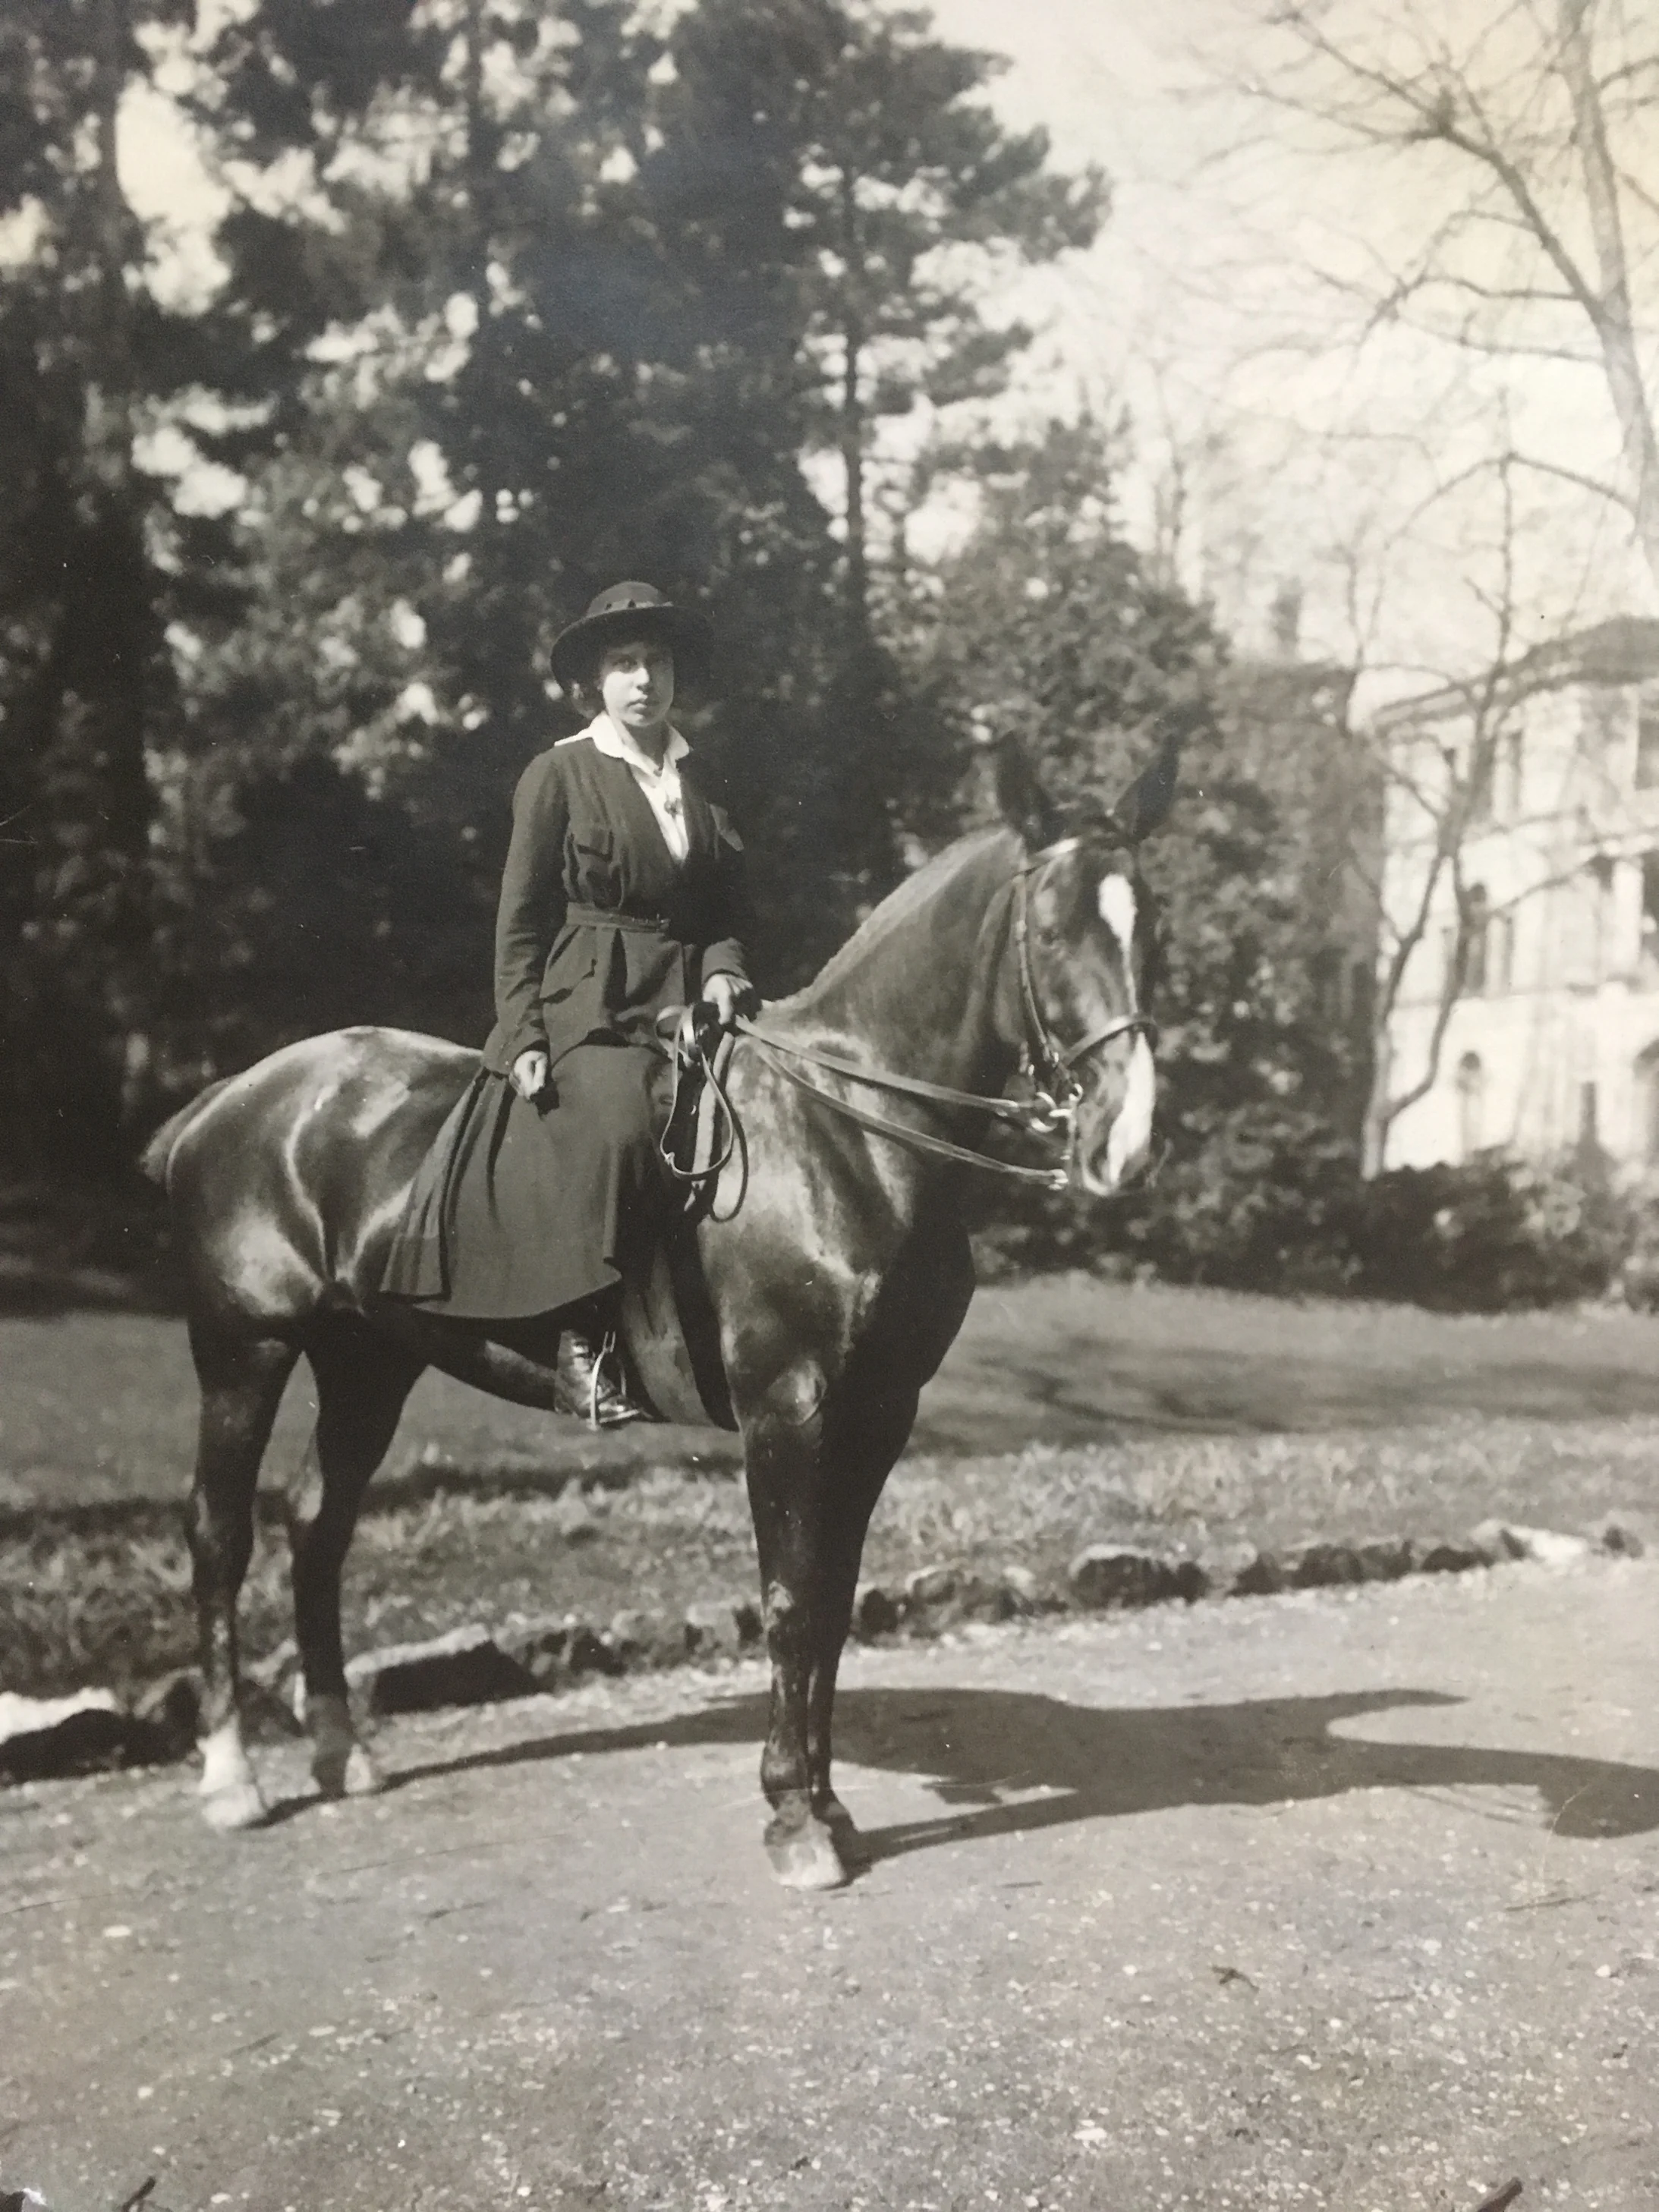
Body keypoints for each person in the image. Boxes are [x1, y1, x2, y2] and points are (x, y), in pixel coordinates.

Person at [379, 581, 756, 1424]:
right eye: (623, 663)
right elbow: (520, 920)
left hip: (691, 1003)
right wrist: (522, 1032)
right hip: (591, 1002)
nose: (643, 679)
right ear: (596, 680)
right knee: (622, 1122)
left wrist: (726, 969)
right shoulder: (560, 772)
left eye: (655, 660)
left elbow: (726, 909)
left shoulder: (702, 778)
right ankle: (584, 1344)